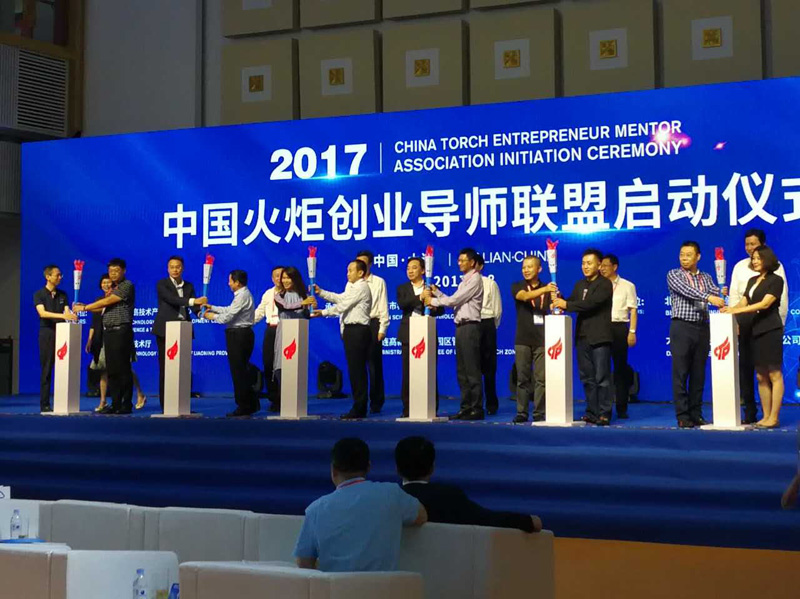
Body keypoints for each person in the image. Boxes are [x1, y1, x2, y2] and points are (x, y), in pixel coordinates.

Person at [294, 438, 427, 572]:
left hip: (337, 585)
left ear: (333, 470)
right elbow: (421, 516)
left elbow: (303, 563)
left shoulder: (315, 510)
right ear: (368, 467)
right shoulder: (392, 494)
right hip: (384, 585)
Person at [395, 436, 541, 533]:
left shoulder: (390, 500)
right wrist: (528, 521)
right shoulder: (449, 497)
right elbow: (487, 519)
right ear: (432, 467)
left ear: (397, 469)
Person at [729, 229, 790, 424]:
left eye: (757, 258)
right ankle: (765, 416)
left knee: (774, 374)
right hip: (754, 330)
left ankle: (774, 417)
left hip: (770, 330)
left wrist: (739, 311)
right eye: (753, 258)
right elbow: (744, 300)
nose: (754, 261)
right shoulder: (752, 280)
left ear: (766, 258)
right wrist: (730, 310)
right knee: (761, 376)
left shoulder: (776, 279)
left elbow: (765, 304)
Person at [666, 241, 725, 428]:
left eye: (688, 255)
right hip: (682, 327)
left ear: (698, 257)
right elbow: (688, 291)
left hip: (702, 327)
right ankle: (682, 415)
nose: (684, 258)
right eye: (682, 255)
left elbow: (716, 292)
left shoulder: (706, 277)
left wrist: (722, 291)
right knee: (681, 372)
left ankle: (696, 413)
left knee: (698, 374)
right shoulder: (674, 274)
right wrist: (710, 297)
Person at [552, 249, 613, 426]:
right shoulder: (580, 285)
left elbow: (590, 304)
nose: (585, 266)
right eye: (583, 263)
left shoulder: (605, 284)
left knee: (602, 378)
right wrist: (559, 298)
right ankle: (592, 412)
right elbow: (572, 301)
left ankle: (604, 413)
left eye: (589, 263)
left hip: (600, 337)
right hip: (582, 337)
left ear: (599, 265)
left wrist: (566, 304)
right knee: (587, 378)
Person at [422, 248, 484, 420]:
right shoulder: (464, 281)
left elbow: (454, 301)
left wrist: (432, 300)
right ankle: (465, 407)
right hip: (461, 327)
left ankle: (476, 408)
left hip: (470, 327)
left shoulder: (475, 279)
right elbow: (455, 301)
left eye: (462, 260)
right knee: (462, 371)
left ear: (472, 262)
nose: (459, 263)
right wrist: (437, 292)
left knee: (472, 370)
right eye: (458, 260)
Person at [312, 260, 373, 419]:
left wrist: (323, 313)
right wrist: (321, 292)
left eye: (351, 270)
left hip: (358, 330)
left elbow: (344, 305)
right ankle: (358, 406)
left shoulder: (361, 287)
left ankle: (359, 407)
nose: (348, 273)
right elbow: (340, 298)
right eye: (347, 270)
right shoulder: (351, 286)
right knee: (354, 370)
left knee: (357, 371)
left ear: (360, 273)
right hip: (350, 330)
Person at [74, 258, 136, 415]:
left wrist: (85, 307)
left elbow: (108, 302)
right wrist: (83, 307)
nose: (113, 274)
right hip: (108, 332)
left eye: (116, 271)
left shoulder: (126, 286)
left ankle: (126, 404)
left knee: (123, 369)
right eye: (110, 271)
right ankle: (115, 403)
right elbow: (101, 308)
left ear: (123, 271)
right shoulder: (111, 289)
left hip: (121, 331)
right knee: (112, 370)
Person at [151, 256, 205, 411]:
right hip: (165, 330)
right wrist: (194, 301)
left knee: (184, 369)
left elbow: (194, 308)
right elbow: (172, 299)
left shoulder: (188, 286)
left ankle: (182, 404)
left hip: (184, 331)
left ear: (183, 268)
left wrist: (202, 312)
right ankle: (166, 405)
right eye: (172, 267)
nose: (175, 269)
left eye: (178, 267)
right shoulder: (162, 284)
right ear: (168, 269)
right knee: (166, 369)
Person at [203, 270, 257, 417]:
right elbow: (229, 310)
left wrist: (211, 316)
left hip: (239, 335)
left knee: (238, 371)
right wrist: (212, 307)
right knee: (241, 370)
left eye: (230, 281)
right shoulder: (241, 295)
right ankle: (250, 403)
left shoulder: (242, 295)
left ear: (237, 282)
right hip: (240, 334)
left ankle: (244, 405)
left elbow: (228, 317)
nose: (228, 283)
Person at [396, 257, 444, 417]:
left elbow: (441, 310)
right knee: (407, 373)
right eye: (408, 268)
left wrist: (433, 305)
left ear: (423, 270)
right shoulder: (402, 288)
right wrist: (420, 297)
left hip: (427, 335)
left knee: (429, 372)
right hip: (408, 334)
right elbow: (403, 304)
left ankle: (431, 407)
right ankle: (407, 408)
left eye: (414, 267)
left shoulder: (431, 287)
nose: (410, 271)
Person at [511, 256, 555, 423]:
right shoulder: (518, 286)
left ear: (539, 269)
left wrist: (555, 302)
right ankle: (522, 412)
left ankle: (539, 413)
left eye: (530, 267)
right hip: (522, 339)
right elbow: (524, 297)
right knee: (522, 379)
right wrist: (545, 290)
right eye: (524, 267)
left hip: (543, 339)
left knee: (541, 379)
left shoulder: (549, 288)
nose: (526, 270)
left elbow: (555, 306)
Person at [34, 264, 77, 412]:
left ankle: (63, 402)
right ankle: (45, 403)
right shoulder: (39, 294)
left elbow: (67, 312)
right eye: (57, 275)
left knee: (63, 368)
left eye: (60, 275)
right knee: (47, 369)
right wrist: (63, 316)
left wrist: (71, 316)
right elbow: (43, 313)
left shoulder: (63, 295)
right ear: (48, 277)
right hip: (47, 333)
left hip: (63, 332)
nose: (60, 277)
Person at [599, 254, 638, 420]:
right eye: (600, 266)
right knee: (601, 369)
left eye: (605, 265)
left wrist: (632, 331)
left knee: (620, 369)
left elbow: (633, 310)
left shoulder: (627, 285)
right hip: (600, 328)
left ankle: (622, 407)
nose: (602, 269)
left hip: (619, 328)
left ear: (614, 267)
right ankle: (602, 408)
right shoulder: (597, 285)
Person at [354, 250, 390, 414]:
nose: (359, 265)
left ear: (370, 264)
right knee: (357, 365)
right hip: (356, 324)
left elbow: (383, 306)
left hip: (373, 324)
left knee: (374, 366)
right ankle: (359, 401)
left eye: (363, 262)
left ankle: (376, 401)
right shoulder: (352, 283)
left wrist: (382, 328)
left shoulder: (378, 282)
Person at [272, 267, 316, 386]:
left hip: (299, 334)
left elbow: (306, 315)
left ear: (295, 279)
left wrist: (311, 308)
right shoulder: (279, 296)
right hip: (284, 334)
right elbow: (285, 306)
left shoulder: (304, 296)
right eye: (283, 278)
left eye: (288, 278)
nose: (285, 281)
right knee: (282, 363)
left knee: (297, 365)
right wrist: (302, 303)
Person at [253, 266, 284, 412]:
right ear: (272, 278)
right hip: (271, 330)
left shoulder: (292, 293)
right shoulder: (268, 294)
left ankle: (286, 397)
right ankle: (274, 398)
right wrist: (245, 322)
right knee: (268, 364)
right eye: (276, 276)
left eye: (282, 275)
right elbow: (259, 312)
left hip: (286, 330)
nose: (279, 278)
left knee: (283, 366)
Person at [475, 255, 502, 416]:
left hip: (487, 324)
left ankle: (491, 403)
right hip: (471, 325)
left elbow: (497, 310)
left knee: (489, 368)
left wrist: (491, 327)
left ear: (480, 266)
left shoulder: (490, 283)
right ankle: (475, 403)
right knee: (473, 368)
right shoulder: (463, 284)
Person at [85, 275, 112, 412]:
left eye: (108, 282)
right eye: (103, 282)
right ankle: (103, 401)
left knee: (124, 369)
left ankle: (139, 393)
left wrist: (84, 308)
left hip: (113, 337)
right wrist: (90, 339)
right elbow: (94, 324)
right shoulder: (98, 301)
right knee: (103, 370)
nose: (106, 285)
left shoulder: (116, 298)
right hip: (100, 339)